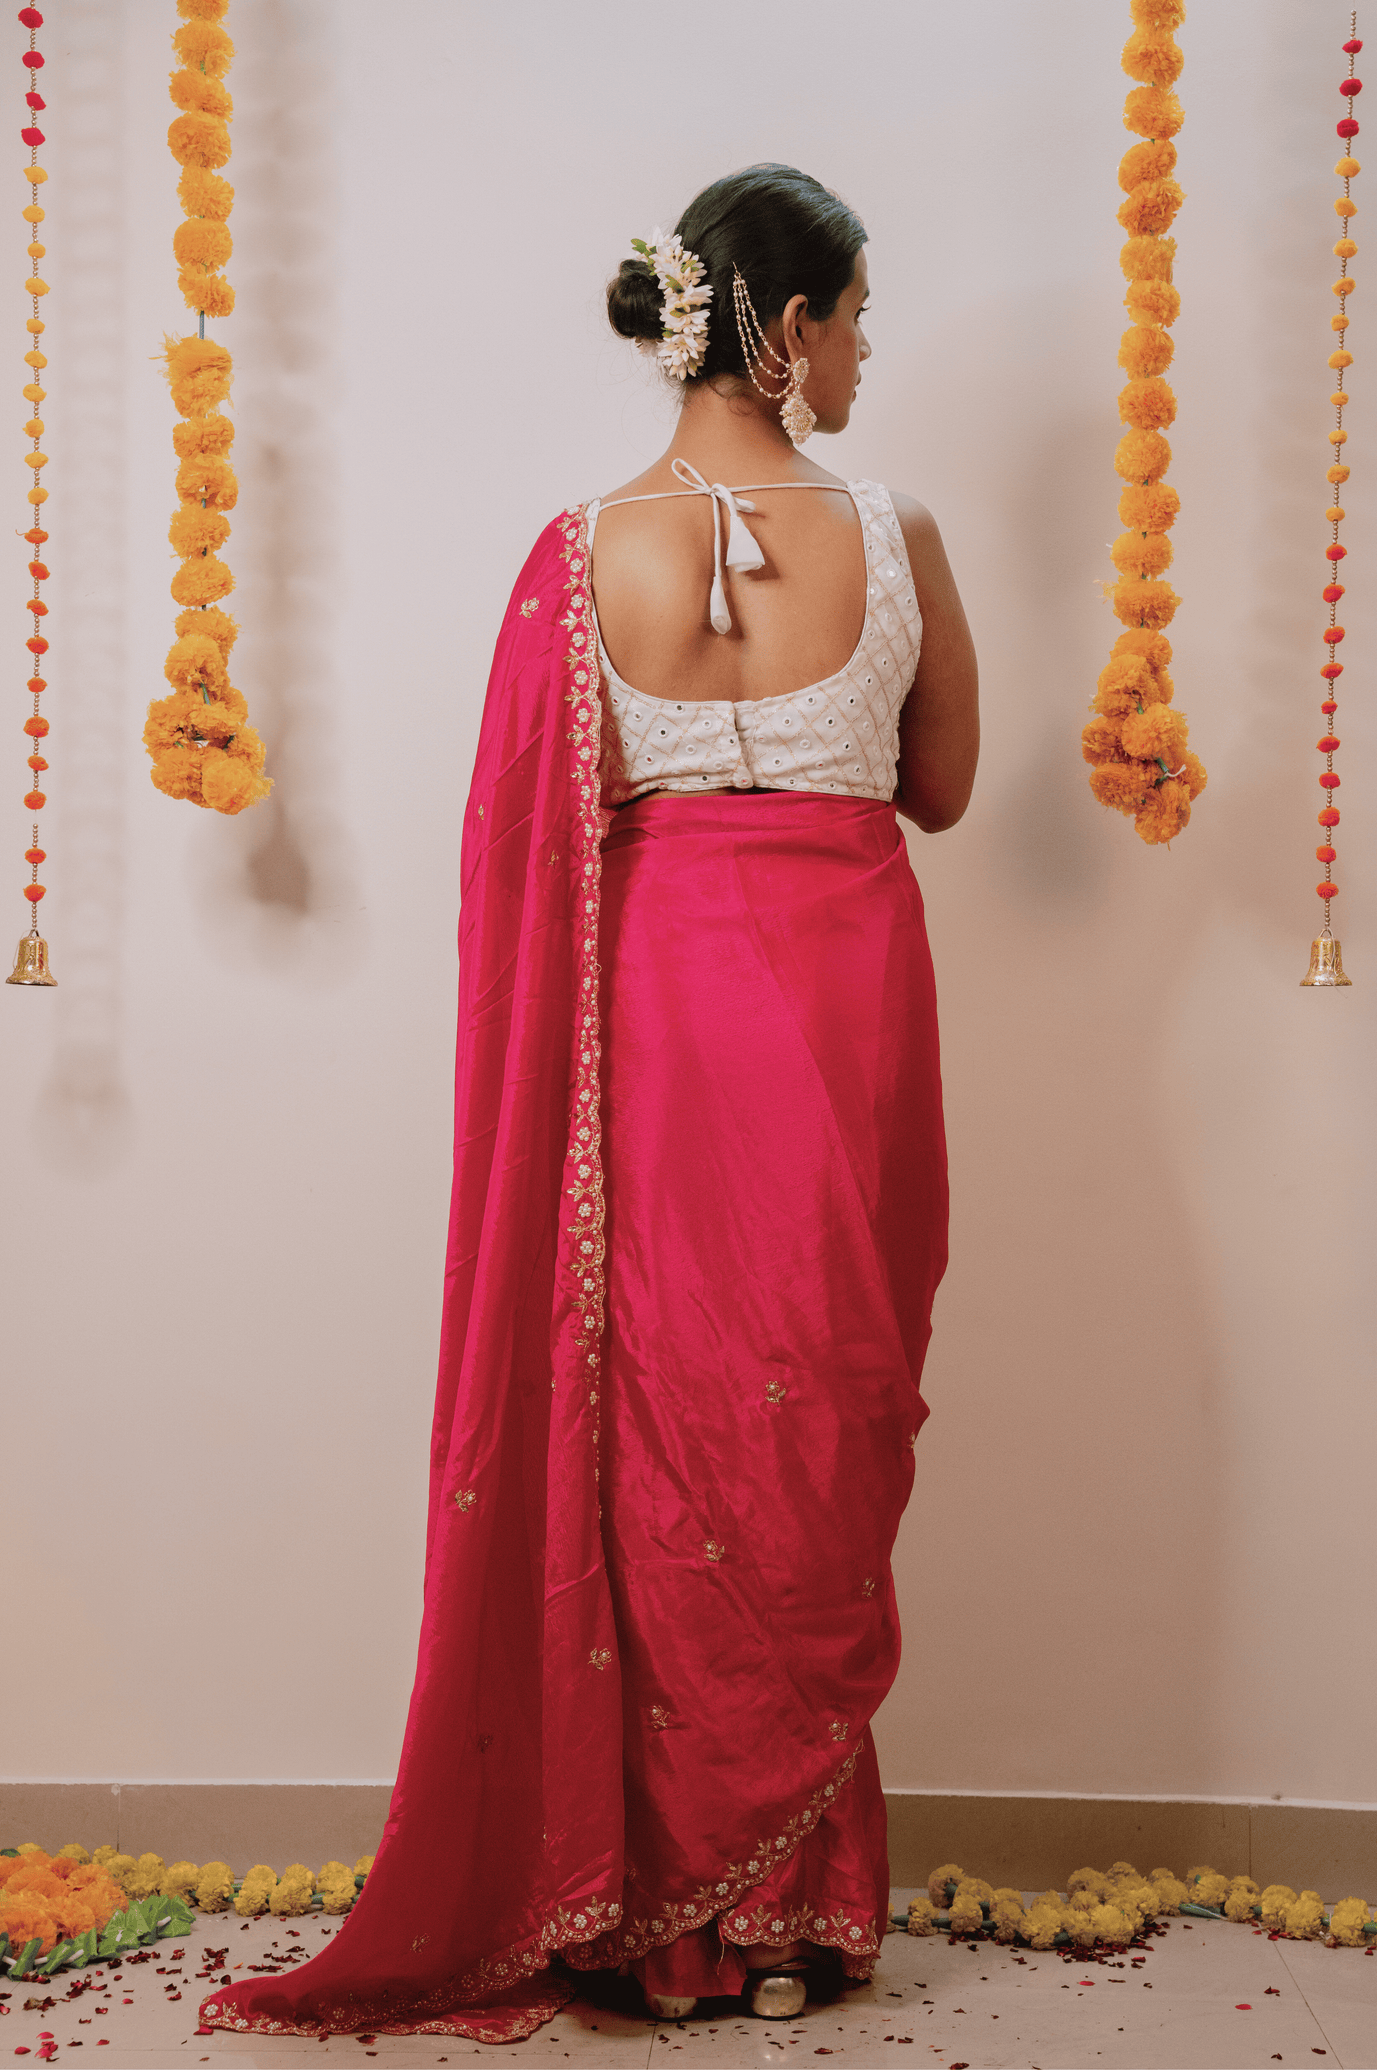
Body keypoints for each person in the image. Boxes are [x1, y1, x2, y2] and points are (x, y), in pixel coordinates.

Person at [200, 162, 978, 2050]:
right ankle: (790, 1911)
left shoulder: (576, 553)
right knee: (818, 1417)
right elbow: (938, 788)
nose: (869, 348)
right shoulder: (899, 529)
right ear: (786, 332)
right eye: (856, 316)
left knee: (668, 1425)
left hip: (656, 1020)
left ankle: (654, 1912)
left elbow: (522, 852)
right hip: (846, 1004)